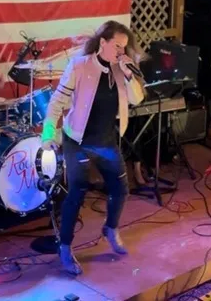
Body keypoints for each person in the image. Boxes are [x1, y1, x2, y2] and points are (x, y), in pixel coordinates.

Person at [41, 20, 146, 276]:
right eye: (117, 46)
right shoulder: (79, 65)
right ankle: (65, 246)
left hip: (106, 140)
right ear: (103, 43)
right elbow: (57, 102)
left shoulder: (121, 70)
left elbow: (137, 99)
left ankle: (110, 228)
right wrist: (48, 135)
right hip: (76, 140)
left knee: (120, 189)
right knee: (77, 191)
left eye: (124, 47)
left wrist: (129, 73)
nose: (121, 52)